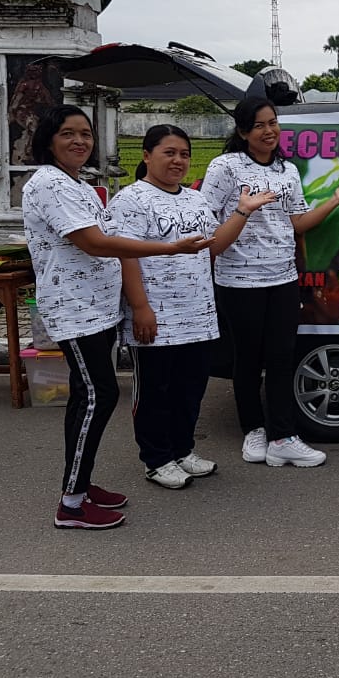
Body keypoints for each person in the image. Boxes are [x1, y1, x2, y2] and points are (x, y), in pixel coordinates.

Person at [22, 106, 212, 530]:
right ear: (49, 138)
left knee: (87, 397)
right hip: (75, 311)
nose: (79, 141)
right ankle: (71, 503)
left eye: (86, 133)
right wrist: (169, 249)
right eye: (68, 133)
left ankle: (82, 486)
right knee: (97, 396)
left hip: (97, 309)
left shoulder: (79, 184)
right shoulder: (50, 184)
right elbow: (94, 242)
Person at [200, 96, 339, 468]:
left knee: (280, 358)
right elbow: (205, 222)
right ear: (243, 131)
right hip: (237, 279)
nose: (268, 131)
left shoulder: (287, 171)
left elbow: (296, 224)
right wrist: (243, 211)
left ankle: (283, 436)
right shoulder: (225, 167)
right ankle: (254, 430)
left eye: (273, 123)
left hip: (281, 278)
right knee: (246, 360)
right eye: (259, 125)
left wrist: (335, 201)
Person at [108, 125, 275, 490]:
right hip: (157, 315)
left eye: (184, 154)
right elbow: (124, 255)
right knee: (155, 391)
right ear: (147, 155)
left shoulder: (196, 199)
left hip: (198, 313)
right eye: (169, 153)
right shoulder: (130, 200)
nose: (178, 161)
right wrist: (140, 307)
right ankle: (156, 459)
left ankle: (182, 450)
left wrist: (242, 212)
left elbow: (214, 246)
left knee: (190, 388)